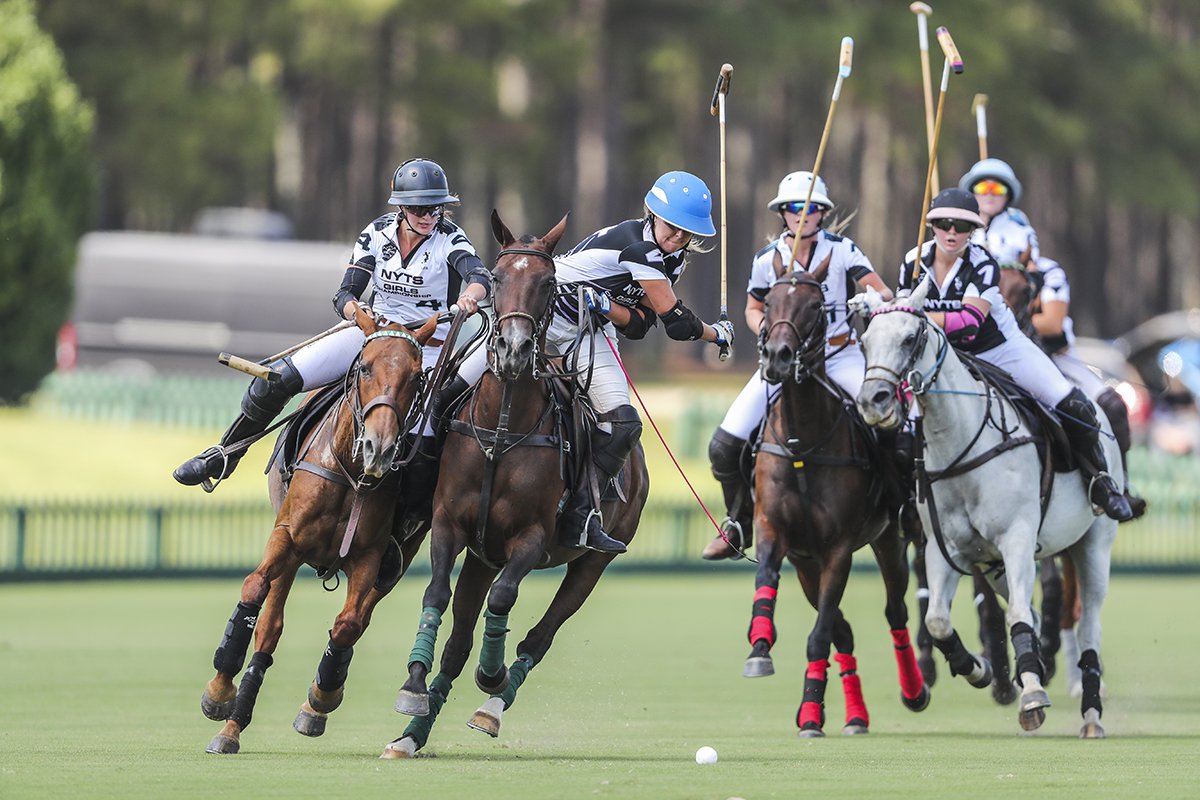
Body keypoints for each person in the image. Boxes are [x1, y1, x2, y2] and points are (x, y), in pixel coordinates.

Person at [173, 157, 492, 519]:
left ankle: (403, 530)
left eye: (436, 207)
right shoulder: (376, 233)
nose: (429, 215)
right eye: (420, 207)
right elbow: (345, 294)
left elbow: (477, 272)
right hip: (372, 337)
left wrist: (472, 294)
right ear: (401, 207)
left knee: (426, 438)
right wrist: (355, 311)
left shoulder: (450, 237)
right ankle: (224, 455)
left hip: (425, 351)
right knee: (275, 380)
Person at [450, 170, 734, 554]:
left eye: (687, 232)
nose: (678, 237)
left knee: (624, 423)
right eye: (672, 227)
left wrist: (610, 308)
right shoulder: (641, 249)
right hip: (539, 317)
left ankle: (583, 512)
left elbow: (640, 325)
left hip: (588, 331)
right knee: (454, 387)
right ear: (652, 215)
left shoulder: (672, 258)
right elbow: (677, 324)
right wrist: (717, 334)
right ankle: (423, 486)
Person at [893, 188, 1132, 521]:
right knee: (894, 417)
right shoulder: (913, 261)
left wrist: (915, 314)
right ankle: (902, 501)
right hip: (945, 357)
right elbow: (903, 320)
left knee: (1071, 404)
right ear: (931, 224)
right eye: (944, 223)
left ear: (973, 231)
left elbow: (969, 323)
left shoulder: (982, 263)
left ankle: (1100, 482)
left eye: (961, 226)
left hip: (1000, 350)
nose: (951, 232)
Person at [701, 171, 894, 560]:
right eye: (792, 208)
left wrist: (873, 300)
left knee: (890, 426)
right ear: (782, 214)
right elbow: (753, 308)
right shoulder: (765, 260)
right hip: (781, 362)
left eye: (810, 208)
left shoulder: (843, 250)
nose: (801, 215)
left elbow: (881, 288)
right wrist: (766, 333)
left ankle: (898, 506)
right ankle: (737, 522)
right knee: (723, 445)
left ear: (821, 213)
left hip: (839, 357)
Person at [1029, 255, 1145, 516]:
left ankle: (1114, 485)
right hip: (995, 354)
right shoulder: (975, 262)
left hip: (1054, 357)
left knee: (1110, 406)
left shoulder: (1048, 271)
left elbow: (1053, 325)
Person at [959, 158, 1038, 268]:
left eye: (998, 189)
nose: (990, 195)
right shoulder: (959, 227)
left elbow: (1032, 267)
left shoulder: (1020, 229)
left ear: (1008, 196)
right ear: (973, 193)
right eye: (982, 188)